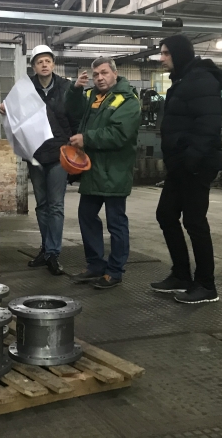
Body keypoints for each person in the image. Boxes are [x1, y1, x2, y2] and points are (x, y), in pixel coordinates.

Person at [151, 34, 222, 304]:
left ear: (180, 54)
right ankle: (182, 275)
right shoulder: (183, 79)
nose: (161, 58)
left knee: (195, 222)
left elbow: (208, 126)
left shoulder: (201, 80)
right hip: (180, 164)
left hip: (196, 165)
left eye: (166, 53)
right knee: (166, 214)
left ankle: (206, 285)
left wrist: (191, 161)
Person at [0, 45, 79, 275]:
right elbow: (15, 114)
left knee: (56, 205)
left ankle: (53, 252)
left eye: (48, 61)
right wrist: (5, 109)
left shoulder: (66, 87)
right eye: (39, 61)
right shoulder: (25, 89)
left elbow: (76, 116)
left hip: (59, 154)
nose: (44, 65)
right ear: (33, 66)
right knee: (42, 205)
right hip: (35, 154)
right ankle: (46, 249)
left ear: (53, 64)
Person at [65, 57, 141, 289]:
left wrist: (86, 139)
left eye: (104, 73)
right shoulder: (92, 96)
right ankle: (95, 265)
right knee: (86, 216)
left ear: (115, 73)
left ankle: (115, 271)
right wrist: (75, 90)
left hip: (114, 171)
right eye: (96, 74)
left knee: (116, 222)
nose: (99, 78)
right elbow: (72, 111)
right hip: (93, 170)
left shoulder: (127, 100)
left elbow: (119, 134)